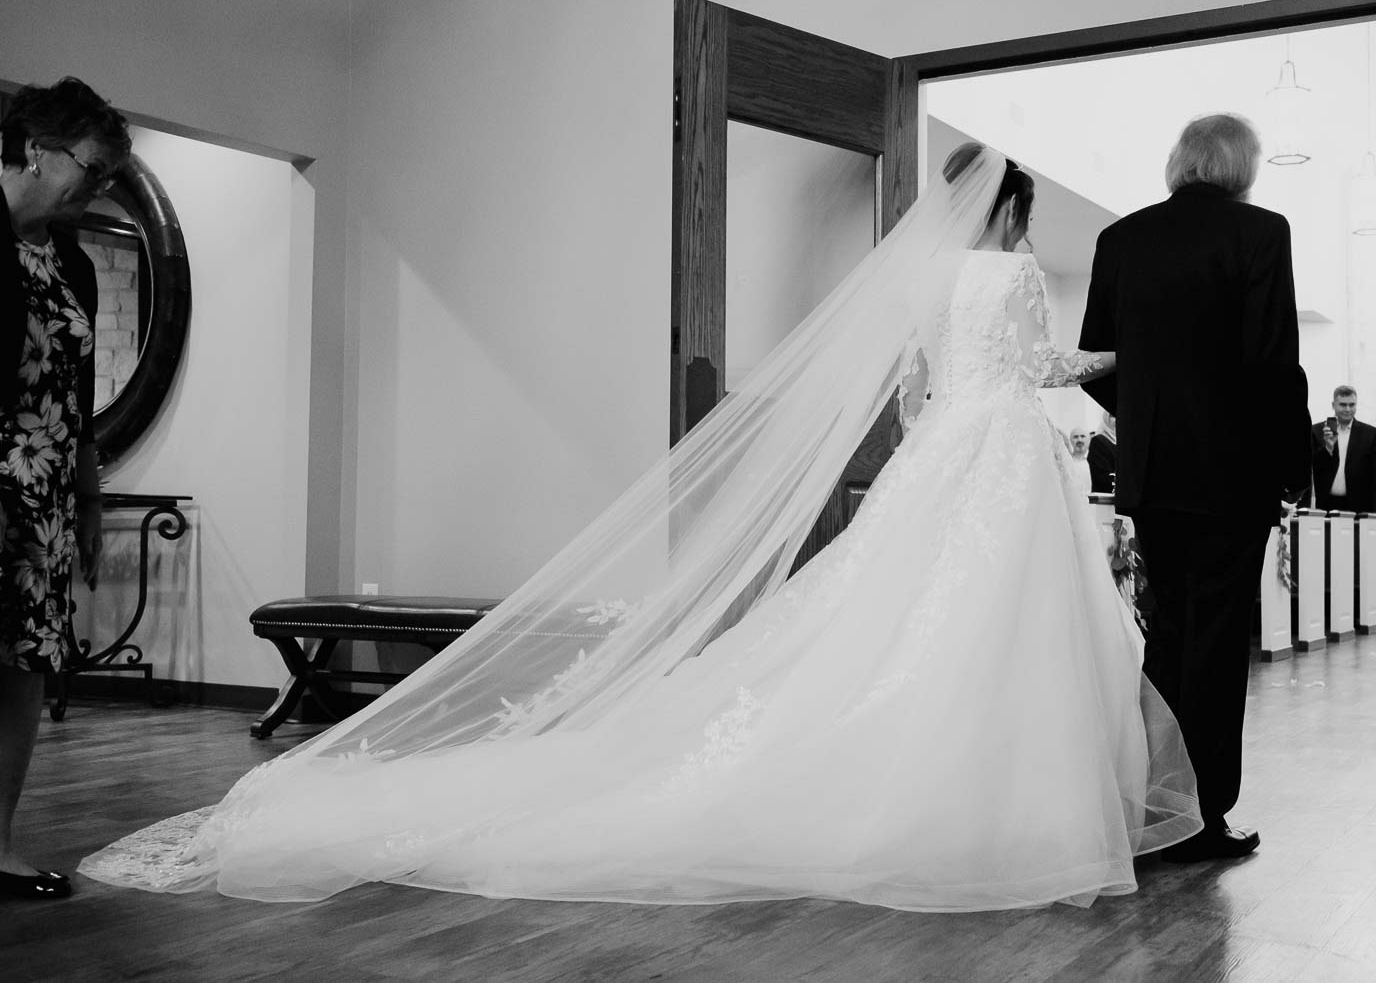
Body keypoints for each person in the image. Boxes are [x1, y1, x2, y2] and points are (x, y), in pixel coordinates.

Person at [82, 144, 1202, 910]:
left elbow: (915, 394)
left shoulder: (916, 279)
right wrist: (1113, 357)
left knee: (904, 624)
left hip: (946, 451)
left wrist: (936, 434)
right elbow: (1033, 365)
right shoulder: (1007, 271)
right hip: (1001, 453)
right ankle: (1000, 804)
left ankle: (960, 791)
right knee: (995, 634)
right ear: (1010, 210)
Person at [1077, 113, 1308, 863]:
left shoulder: (1122, 239)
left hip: (1153, 474)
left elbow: (1100, 364)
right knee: (1215, 645)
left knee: (1167, 636)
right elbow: (1274, 362)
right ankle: (1202, 816)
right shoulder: (1261, 233)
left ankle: (1152, 803)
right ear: (1241, 166)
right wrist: (1289, 467)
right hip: (1232, 475)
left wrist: (1148, 424)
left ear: (1181, 162)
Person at [1, 78, 128, 900]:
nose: (97, 187)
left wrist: (87, 499)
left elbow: (76, 398)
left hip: (41, 495)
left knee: (22, 667)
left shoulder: (70, 259)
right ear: (37, 148)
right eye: (92, 167)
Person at [1309, 386, 1376, 514]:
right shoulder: (1317, 431)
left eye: (1352, 405)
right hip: (1325, 504)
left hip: (1360, 506)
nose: (1348, 409)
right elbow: (1312, 467)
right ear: (1333, 405)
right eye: (1343, 405)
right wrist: (1328, 448)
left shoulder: (1370, 434)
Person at [1087, 413, 1117, 493]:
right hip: (1106, 498)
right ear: (1105, 418)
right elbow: (1102, 477)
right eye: (1113, 416)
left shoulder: (1124, 442)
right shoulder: (1098, 441)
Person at [1064, 425, 1093, 490]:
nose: (1079, 440)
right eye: (1075, 437)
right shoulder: (1066, 462)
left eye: (1083, 436)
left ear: (1089, 440)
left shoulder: (1095, 461)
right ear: (1071, 440)